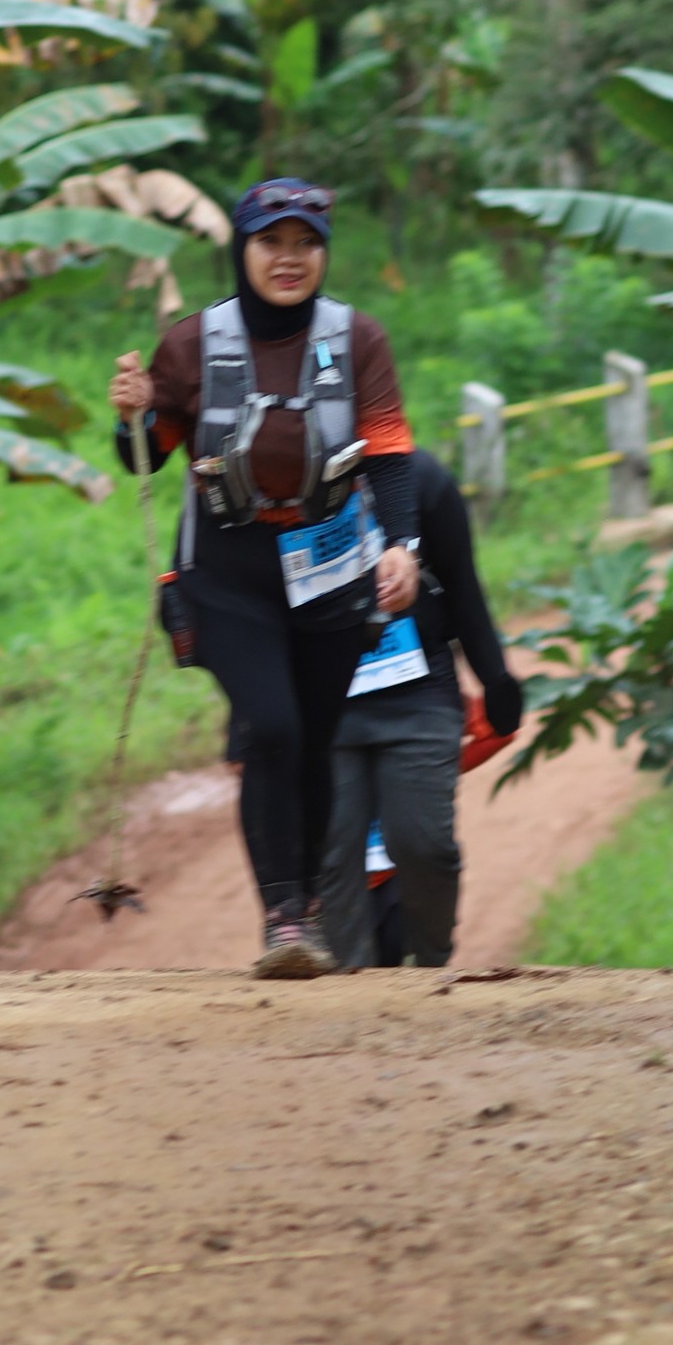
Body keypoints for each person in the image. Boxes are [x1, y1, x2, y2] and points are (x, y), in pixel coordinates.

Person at [111, 178, 419, 979]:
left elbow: (388, 454)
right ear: (241, 250)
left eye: (306, 243)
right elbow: (145, 455)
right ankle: (284, 917)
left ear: (324, 252)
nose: (289, 258)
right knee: (273, 728)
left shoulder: (359, 339)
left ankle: (305, 911)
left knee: (313, 740)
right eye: (271, 242)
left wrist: (402, 545)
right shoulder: (191, 343)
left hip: (330, 569)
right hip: (227, 571)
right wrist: (134, 413)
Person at [318, 442, 523, 973]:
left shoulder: (424, 479)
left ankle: (431, 970)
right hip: (320, 703)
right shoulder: (273, 489)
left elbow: (462, 583)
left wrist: (495, 677)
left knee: (424, 844)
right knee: (332, 860)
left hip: (419, 693)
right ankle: (344, 994)